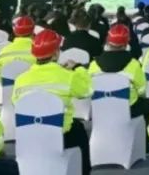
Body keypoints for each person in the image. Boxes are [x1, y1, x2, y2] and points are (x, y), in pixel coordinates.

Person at [11, 30, 92, 174]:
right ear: (55, 54)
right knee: (79, 129)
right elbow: (87, 91)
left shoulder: (20, 80)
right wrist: (78, 69)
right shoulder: (68, 76)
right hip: (61, 136)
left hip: (30, 137)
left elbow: (16, 103)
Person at [89, 25, 149, 128]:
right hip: (129, 109)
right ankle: (145, 135)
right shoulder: (133, 64)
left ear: (108, 42)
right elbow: (142, 90)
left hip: (101, 108)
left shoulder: (94, 64)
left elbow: (89, 89)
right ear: (126, 43)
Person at [0, 16, 36, 84]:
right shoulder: (39, 51)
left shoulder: (3, 51)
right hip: (33, 87)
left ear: (15, 32)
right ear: (33, 32)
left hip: (10, 89)